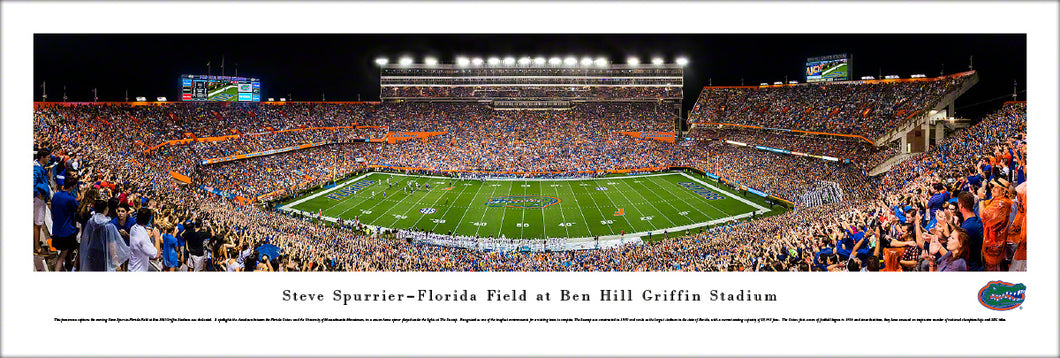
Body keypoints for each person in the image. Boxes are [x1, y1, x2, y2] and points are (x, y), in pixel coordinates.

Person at [79, 199, 130, 271]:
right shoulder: (108, 225)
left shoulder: (91, 222)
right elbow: (111, 245)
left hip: (91, 252)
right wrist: (116, 263)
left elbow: (86, 238)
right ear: (106, 209)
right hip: (103, 254)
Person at [979, 178, 1012, 271]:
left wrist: (981, 199)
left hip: (994, 242)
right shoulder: (999, 201)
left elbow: (983, 216)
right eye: (993, 186)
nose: (994, 188)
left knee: (992, 268)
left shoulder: (1001, 203)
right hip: (994, 241)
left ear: (1004, 191)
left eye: (998, 187)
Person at [50, 179, 80, 271]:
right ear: (72, 186)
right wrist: (82, 193)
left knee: (67, 251)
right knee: (63, 254)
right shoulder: (70, 199)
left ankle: (68, 264)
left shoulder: (56, 195)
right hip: (66, 232)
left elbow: (52, 213)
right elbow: (77, 208)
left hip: (56, 229)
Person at [957, 192, 984, 271]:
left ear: (961, 205)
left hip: (970, 267)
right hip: (977, 263)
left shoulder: (968, 227)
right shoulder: (976, 218)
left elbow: (958, 249)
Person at [33, 147, 53, 256]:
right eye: (48, 157)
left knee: (38, 223)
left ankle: (36, 242)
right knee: (38, 223)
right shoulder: (36, 169)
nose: (49, 159)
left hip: (40, 198)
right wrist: (38, 193)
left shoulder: (39, 166)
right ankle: (37, 248)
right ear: (42, 157)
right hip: (38, 200)